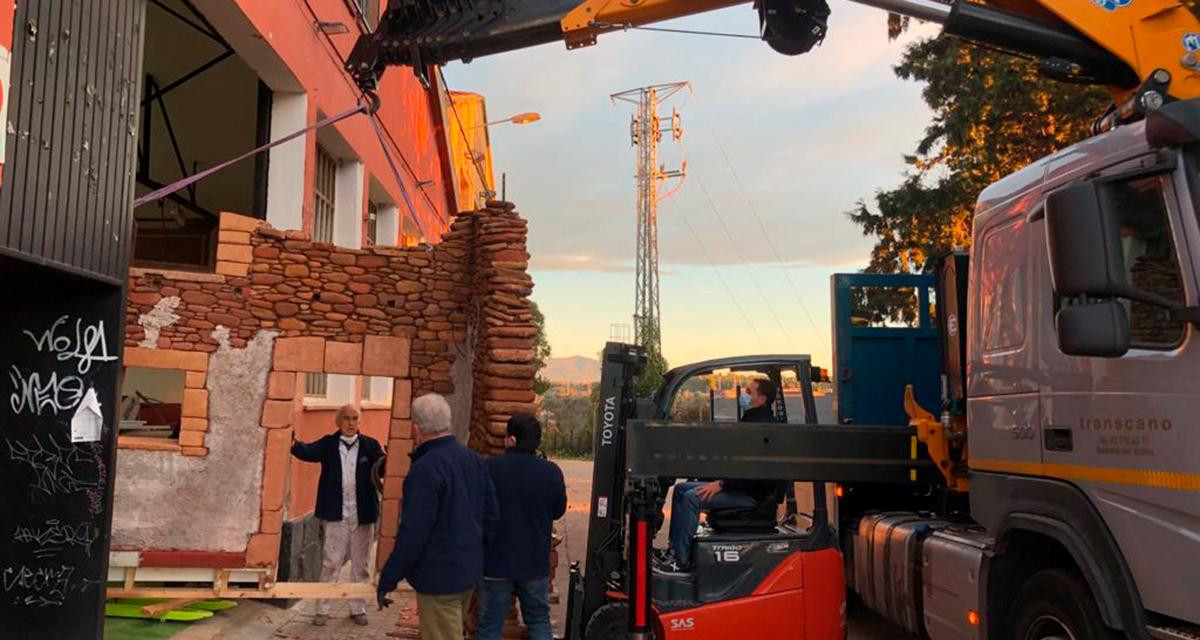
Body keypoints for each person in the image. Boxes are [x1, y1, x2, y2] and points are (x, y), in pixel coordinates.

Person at [377, 394, 498, 640]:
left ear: (416, 429)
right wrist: (475, 553)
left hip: (439, 579)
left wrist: (389, 577)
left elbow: (413, 533)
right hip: (467, 573)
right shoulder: (473, 459)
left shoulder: (425, 469)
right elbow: (491, 515)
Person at [662, 378, 786, 571]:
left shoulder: (762, 428)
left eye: (748, 392)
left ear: (761, 399)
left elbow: (751, 470)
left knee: (691, 497)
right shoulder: (751, 420)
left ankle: (682, 562)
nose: (743, 395)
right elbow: (736, 462)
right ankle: (675, 550)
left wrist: (721, 484)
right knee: (680, 489)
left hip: (751, 496)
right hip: (739, 487)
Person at [290, 404, 385, 626]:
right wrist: (290, 441)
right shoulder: (328, 444)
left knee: (361, 565)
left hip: (362, 513)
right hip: (336, 513)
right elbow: (307, 451)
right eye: (346, 419)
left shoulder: (370, 446)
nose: (351, 423)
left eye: (355, 418)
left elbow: (384, 466)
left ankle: (357, 607)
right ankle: (323, 609)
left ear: (359, 422)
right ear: (338, 422)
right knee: (331, 562)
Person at [476, 413, 567, 640]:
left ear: (511, 440)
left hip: (495, 562)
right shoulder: (551, 472)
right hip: (534, 562)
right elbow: (558, 511)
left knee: (489, 624)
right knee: (538, 621)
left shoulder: (489, 468)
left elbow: (476, 509)